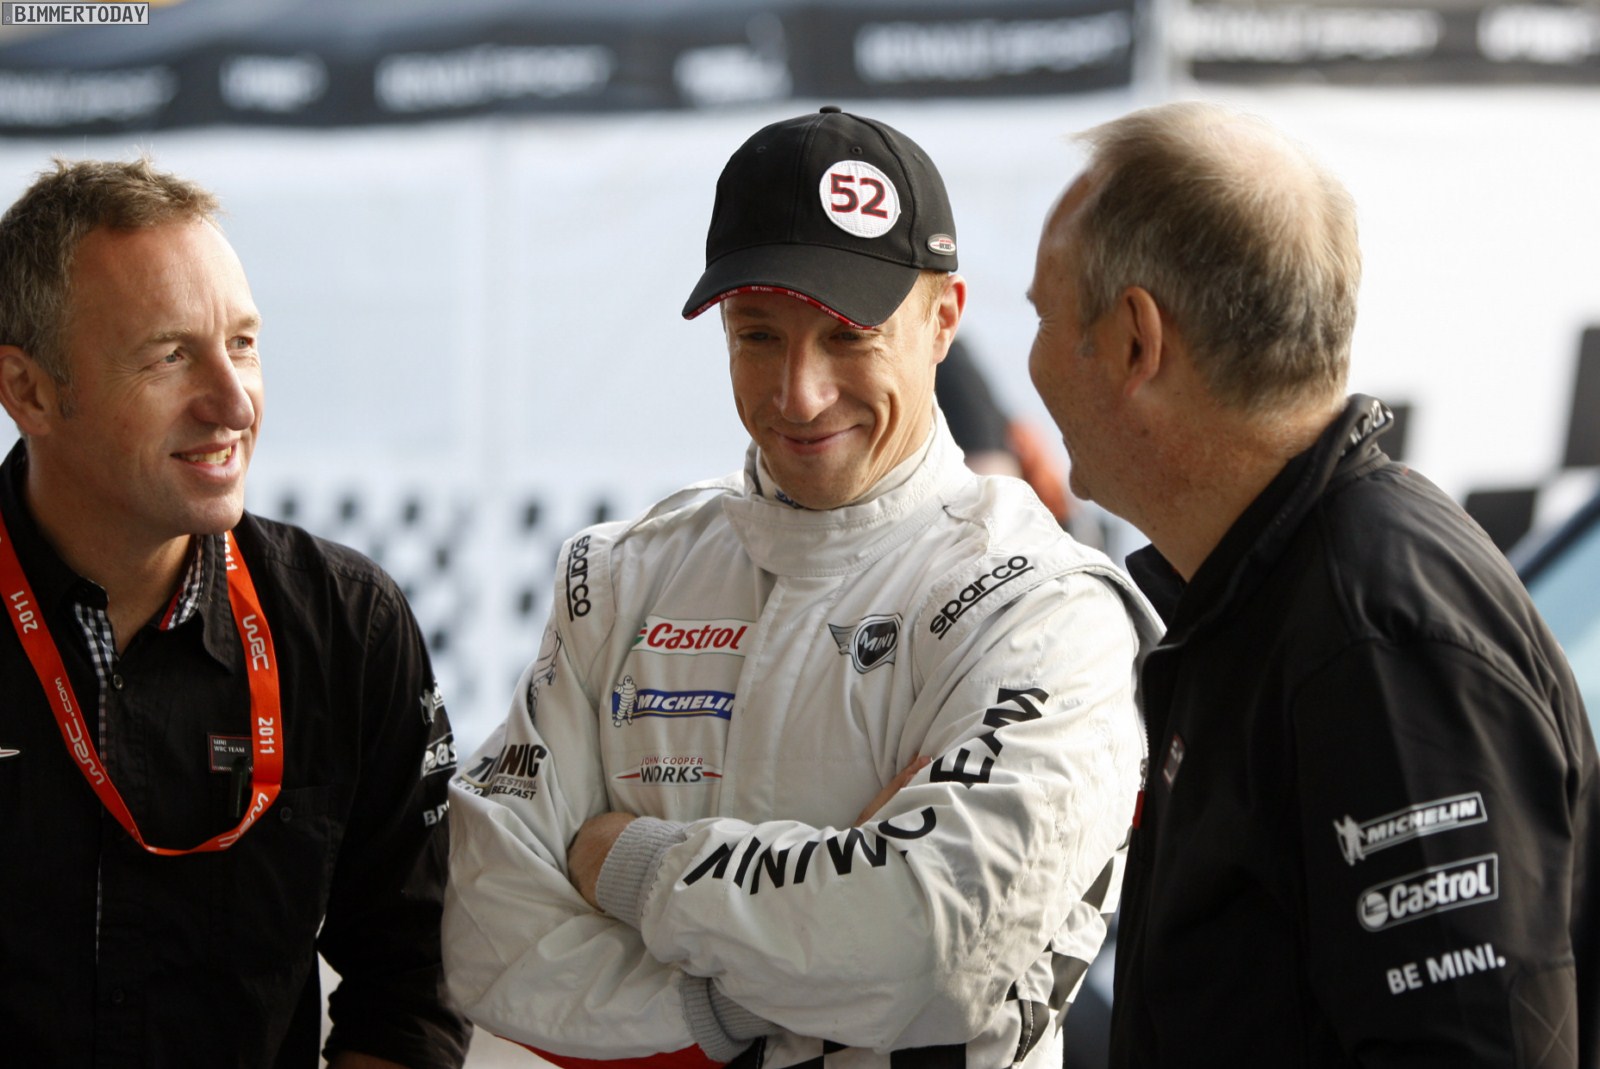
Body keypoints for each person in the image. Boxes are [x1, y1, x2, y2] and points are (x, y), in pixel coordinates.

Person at [444, 106, 1157, 1068]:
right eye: (758, 336)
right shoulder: (617, 577)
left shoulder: (1041, 603)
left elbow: (929, 950)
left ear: (943, 320)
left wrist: (629, 864)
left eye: (848, 337)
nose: (799, 393)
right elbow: (484, 933)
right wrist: (766, 992)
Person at [1025, 100, 1599, 1066]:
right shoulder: (1267, 589)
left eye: (1043, 316)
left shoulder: (1374, 640)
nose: (1033, 359)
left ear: (1135, 342)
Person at [0, 159, 470, 1067]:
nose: (233, 401)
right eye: (169, 355)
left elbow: (414, 986)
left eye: (243, 343)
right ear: (30, 391)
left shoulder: (350, 625)